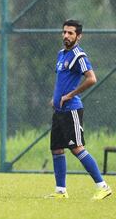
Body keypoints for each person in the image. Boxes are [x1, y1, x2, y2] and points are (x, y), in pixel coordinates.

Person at [45, 19, 112, 200]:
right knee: (57, 149)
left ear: (78, 36)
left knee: (77, 148)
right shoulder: (61, 54)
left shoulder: (78, 55)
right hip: (59, 111)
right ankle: (60, 191)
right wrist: (56, 98)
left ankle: (103, 186)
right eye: (65, 32)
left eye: (71, 33)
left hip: (72, 110)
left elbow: (91, 78)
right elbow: (62, 81)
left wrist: (70, 95)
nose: (66, 36)